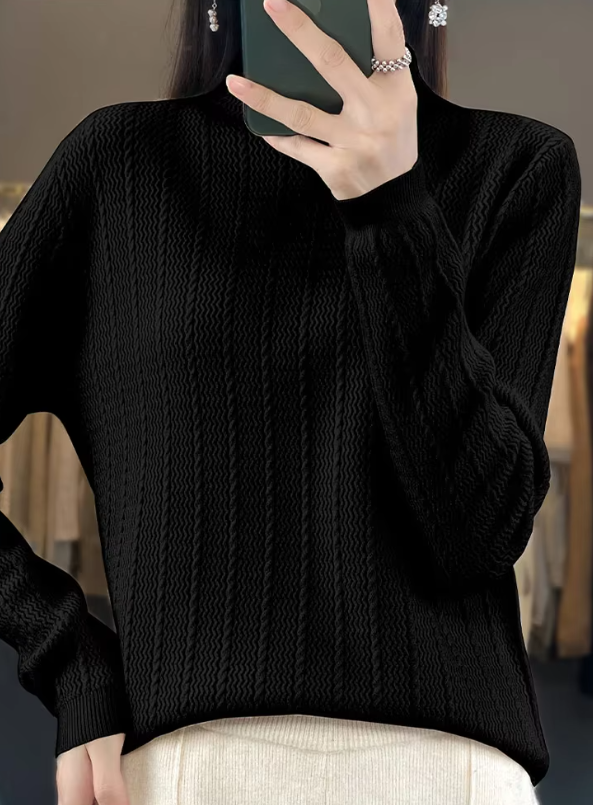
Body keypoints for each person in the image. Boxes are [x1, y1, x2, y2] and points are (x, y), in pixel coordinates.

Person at [0, 0, 582, 803]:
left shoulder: (517, 167)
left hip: (450, 769)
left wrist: (390, 208)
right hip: (188, 766)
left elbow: (479, 532)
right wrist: (69, 658)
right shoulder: (118, 165)